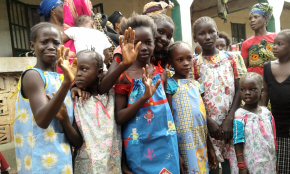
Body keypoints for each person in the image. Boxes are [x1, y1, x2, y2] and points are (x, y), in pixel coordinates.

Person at [114, 14, 180, 173]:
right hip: (139, 146)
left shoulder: (161, 72)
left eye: (148, 42)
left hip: (166, 143)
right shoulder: (124, 76)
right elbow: (119, 117)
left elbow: (167, 112)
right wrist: (144, 98)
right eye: (137, 43)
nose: (143, 47)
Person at [13, 22, 82, 173]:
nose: (51, 46)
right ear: (32, 46)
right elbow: (42, 121)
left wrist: (65, 120)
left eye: (56, 43)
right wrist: (67, 83)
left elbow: (77, 140)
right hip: (38, 162)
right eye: (44, 42)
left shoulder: (62, 79)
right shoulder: (33, 76)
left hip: (62, 162)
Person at [192, 16, 246, 174]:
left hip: (231, 121)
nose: (207, 37)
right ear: (195, 38)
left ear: (217, 33)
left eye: (211, 32)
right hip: (208, 125)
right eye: (202, 34)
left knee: (232, 162)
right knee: (213, 163)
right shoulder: (194, 63)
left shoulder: (232, 58)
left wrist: (230, 119)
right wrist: (209, 122)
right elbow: (195, 96)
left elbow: (239, 88)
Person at [166, 41, 217, 173]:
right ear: (170, 63)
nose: (186, 63)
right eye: (180, 60)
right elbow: (169, 121)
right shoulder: (171, 85)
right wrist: (177, 155)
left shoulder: (196, 85)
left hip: (201, 142)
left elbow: (202, 119)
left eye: (189, 58)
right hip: (183, 145)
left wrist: (210, 148)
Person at [73, 50, 122, 173]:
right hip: (87, 166)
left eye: (84, 69)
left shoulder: (111, 93)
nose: (78, 74)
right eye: (76, 68)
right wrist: (73, 88)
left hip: (112, 164)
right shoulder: (76, 98)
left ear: (99, 72)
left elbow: (111, 77)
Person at [234, 72, 276, 174]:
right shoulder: (240, 115)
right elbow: (238, 141)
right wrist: (241, 165)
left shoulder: (267, 113)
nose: (247, 93)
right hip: (251, 163)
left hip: (269, 161)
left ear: (261, 91)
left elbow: (273, 138)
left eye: (252, 89)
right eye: (243, 89)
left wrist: (276, 160)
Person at [262, 29, 290, 173]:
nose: (275, 47)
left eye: (280, 44)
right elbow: (265, 94)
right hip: (275, 127)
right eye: (274, 44)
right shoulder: (267, 67)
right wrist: (260, 118)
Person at [241, 3, 276, 76]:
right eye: (250, 18)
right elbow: (244, 68)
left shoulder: (276, 38)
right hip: (255, 84)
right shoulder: (246, 43)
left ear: (265, 19)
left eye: (256, 17)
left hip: (274, 81)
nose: (252, 20)